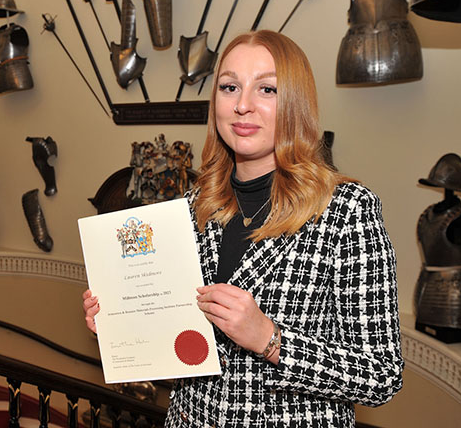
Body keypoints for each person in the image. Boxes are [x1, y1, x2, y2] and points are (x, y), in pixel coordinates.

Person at [82, 30, 403, 427]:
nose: (243, 105)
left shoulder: (347, 209)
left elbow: (381, 376)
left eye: (266, 89)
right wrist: (122, 323)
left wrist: (270, 339)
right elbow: (181, 340)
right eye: (230, 86)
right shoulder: (193, 204)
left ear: (295, 103)